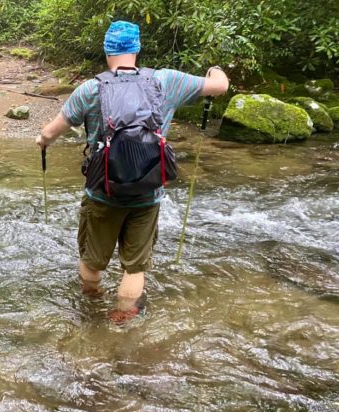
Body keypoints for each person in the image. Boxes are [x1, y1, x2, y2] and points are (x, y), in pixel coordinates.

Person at [35, 20, 229, 321]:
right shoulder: (166, 81)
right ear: (137, 48)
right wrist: (215, 70)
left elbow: (51, 132)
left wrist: (41, 140)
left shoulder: (91, 88)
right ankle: (122, 321)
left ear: (107, 50)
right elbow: (220, 86)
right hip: (147, 193)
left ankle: (91, 311)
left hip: (103, 193)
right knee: (135, 268)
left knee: (92, 262)